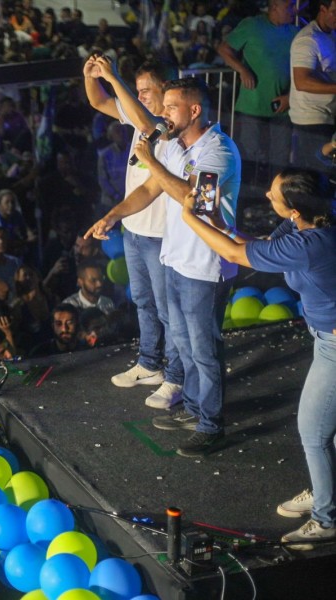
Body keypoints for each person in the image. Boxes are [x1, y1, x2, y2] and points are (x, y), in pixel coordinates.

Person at [179, 168, 336, 546]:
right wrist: (217, 221)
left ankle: (327, 519)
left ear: (295, 210)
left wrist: (188, 217)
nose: (267, 195)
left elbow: (235, 254)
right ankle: (325, 491)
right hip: (325, 338)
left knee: (313, 431)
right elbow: (255, 246)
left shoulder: (311, 244)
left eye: (274, 194)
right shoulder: (304, 227)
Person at [87, 77, 241, 457]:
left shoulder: (218, 151)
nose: (164, 113)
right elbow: (149, 190)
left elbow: (197, 202)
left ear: (194, 111)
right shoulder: (175, 146)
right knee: (185, 345)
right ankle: (192, 408)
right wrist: (112, 215)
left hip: (204, 266)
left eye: (171, 107)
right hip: (175, 258)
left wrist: (152, 160)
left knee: (204, 350)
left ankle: (211, 425)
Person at [83, 54, 185, 410]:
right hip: (134, 230)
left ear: (167, 90)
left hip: (160, 234)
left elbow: (147, 122)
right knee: (143, 301)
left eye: (146, 90)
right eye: (136, 90)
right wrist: (91, 76)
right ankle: (149, 363)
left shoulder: (168, 129)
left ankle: (176, 378)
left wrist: (114, 78)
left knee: (168, 309)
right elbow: (97, 101)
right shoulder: (140, 120)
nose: (139, 96)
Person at [217, 0, 297, 185]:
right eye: (289, 6)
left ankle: (275, 202)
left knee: (280, 156)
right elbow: (224, 49)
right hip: (252, 105)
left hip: (282, 106)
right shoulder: (252, 25)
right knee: (248, 154)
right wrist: (242, 70)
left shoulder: (294, 32)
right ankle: (245, 198)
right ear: (274, 7)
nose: (293, 11)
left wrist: (291, 96)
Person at [289, 0, 336, 171]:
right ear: (323, 9)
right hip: (311, 120)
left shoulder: (330, 34)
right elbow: (302, 81)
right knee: (315, 175)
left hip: (327, 115)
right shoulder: (307, 39)